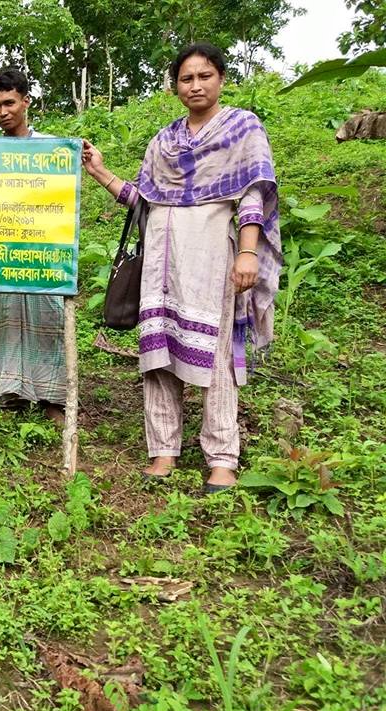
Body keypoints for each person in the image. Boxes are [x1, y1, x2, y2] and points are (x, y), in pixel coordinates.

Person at [82, 43, 281, 493]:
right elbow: (144, 201)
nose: (195, 85)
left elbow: (252, 194)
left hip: (210, 256)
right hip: (161, 260)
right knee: (158, 354)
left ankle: (222, 458)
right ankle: (163, 450)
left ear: (221, 79)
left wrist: (248, 252)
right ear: (175, 87)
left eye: (204, 76)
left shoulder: (242, 128)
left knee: (216, 354)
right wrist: (101, 172)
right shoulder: (164, 141)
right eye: (186, 78)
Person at [0, 68, 69, 425]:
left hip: (41, 251)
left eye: (9, 103)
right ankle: (11, 395)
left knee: (48, 317)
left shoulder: (50, 148)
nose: (3, 112)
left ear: (26, 102)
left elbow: (63, 197)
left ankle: (53, 398)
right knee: (3, 319)